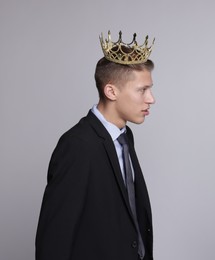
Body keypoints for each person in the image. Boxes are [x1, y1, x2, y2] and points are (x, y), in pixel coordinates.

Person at [36, 31, 156, 260]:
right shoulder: (77, 146)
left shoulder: (125, 136)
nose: (151, 99)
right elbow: (54, 239)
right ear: (111, 91)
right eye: (142, 90)